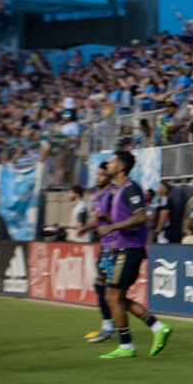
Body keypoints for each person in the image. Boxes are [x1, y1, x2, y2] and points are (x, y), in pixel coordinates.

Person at [95, 150, 173, 358]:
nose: (108, 166)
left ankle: (128, 344)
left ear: (121, 167)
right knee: (115, 297)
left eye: (112, 163)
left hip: (130, 250)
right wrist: (110, 223)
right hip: (121, 248)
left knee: (112, 296)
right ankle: (156, 328)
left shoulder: (130, 188)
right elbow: (127, 220)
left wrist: (112, 228)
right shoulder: (119, 190)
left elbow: (141, 217)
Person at [75, 162, 115, 342]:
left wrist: (104, 218)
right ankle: (110, 325)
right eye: (97, 174)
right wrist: (87, 227)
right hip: (104, 246)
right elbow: (100, 220)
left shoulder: (114, 194)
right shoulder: (98, 194)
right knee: (103, 288)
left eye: (101, 175)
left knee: (108, 289)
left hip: (115, 246)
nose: (97, 177)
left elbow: (122, 218)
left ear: (109, 176)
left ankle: (111, 326)